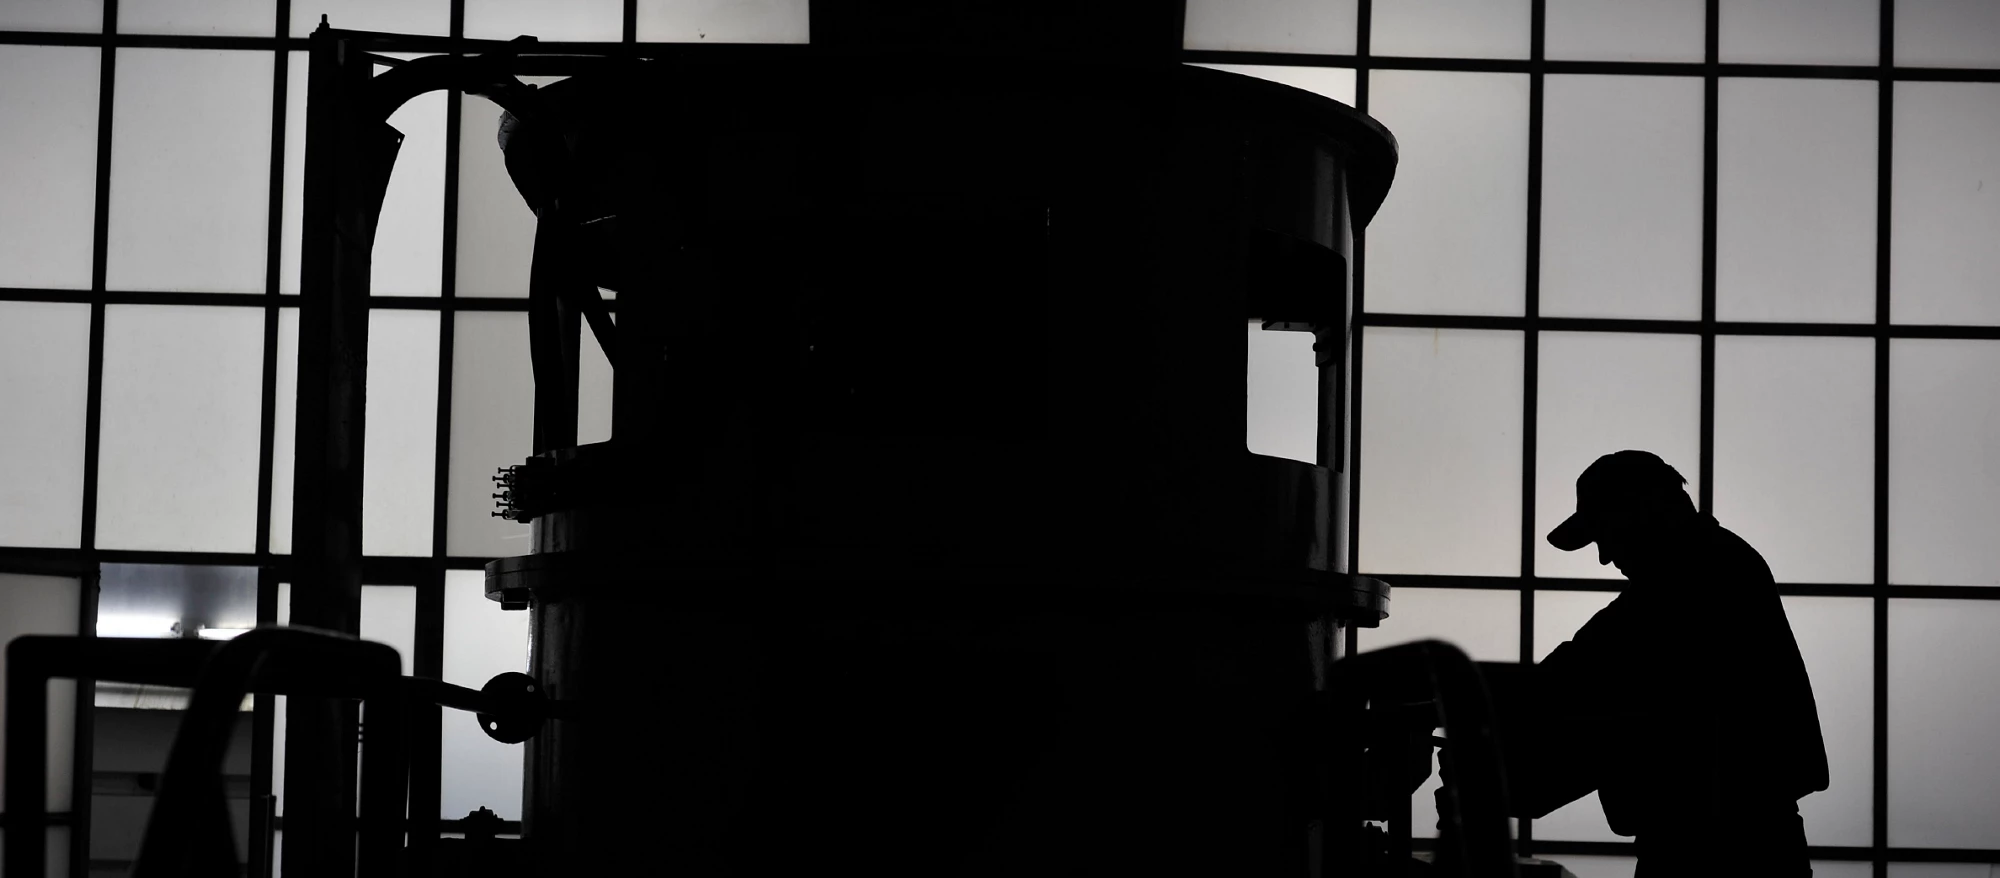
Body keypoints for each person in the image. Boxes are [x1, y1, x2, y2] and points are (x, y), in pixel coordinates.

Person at [1492, 450, 1829, 877]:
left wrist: (1499, 763)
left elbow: (1586, 676)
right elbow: (1588, 674)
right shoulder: (1710, 565)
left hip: (1714, 849)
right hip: (1737, 838)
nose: (1603, 557)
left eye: (1603, 532)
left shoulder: (1694, 577)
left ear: (1642, 508)